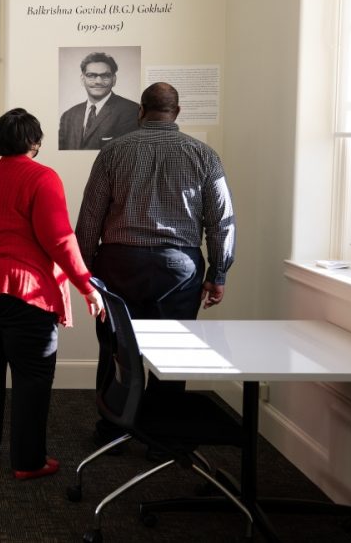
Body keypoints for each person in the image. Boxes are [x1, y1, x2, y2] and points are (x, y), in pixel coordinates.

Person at [0, 108, 105, 480]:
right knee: (32, 375)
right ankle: (28, 461)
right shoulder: (42, 177)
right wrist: (86, 285)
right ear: (35, 142)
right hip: (24, 289)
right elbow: (59, 240)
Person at [75, 82, 235, 442]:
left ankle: (113, 428)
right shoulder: (203, 155)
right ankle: (163, 439)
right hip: (178, 270)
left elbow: (90, 219)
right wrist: (218, 272)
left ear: (140, 111)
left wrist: (83, 272)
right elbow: (221, 220)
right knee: (173, 354)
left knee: (117, 349)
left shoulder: (113, 153)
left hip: (118, 266)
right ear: (176, 113)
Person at [58, 51, 140, 150]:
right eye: (91, 75)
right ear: (82, 79)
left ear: (114, 80)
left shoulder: (132, 111)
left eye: (105, 76)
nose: (98, 81)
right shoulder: (68, 116)